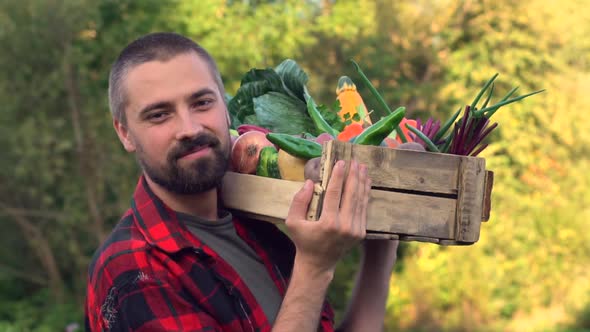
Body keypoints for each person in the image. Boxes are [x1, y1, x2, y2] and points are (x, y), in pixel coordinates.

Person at [85, 32, 399, 332]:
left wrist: (382, 247)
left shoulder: (253, 222)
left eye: (202, 103)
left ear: (224, 108)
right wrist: (314, 268)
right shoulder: (134, 270)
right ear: (125, 133)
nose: (190, 128)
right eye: (159, 115)